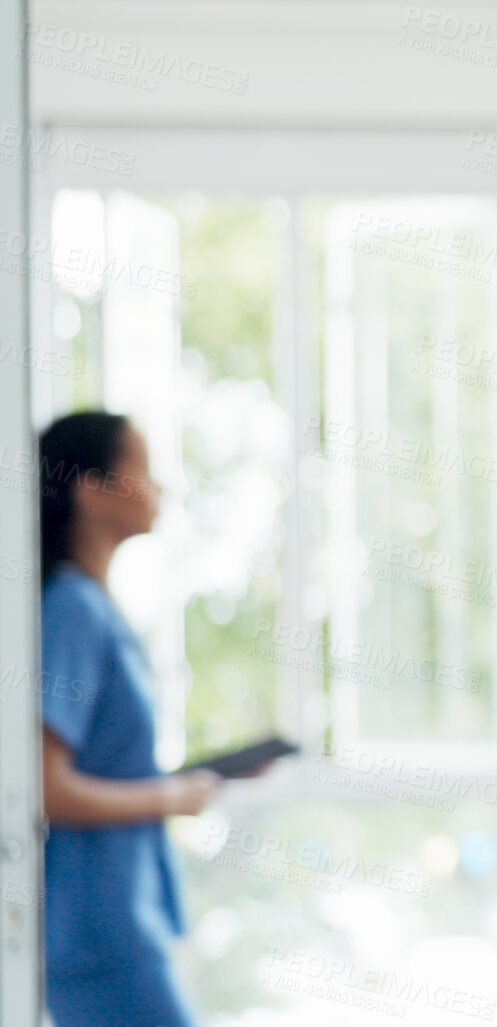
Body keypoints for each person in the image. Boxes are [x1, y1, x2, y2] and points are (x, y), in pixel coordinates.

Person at [37, 410, 217, 1027]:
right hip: (96, 931)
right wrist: (169, 795)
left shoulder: (94, 608)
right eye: (141, 468)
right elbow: (43, 784)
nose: (158, 488)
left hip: (116, 919)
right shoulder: (72, 611)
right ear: (91, 490)